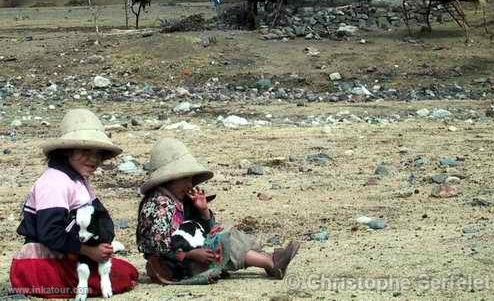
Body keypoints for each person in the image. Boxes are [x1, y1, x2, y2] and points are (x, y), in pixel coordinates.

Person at [10, 108, 138, 298]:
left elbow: (101, 218)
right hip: (43, 261)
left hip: (70, 253)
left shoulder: (78, 180)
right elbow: (50, 233)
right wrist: (89, 251)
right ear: (66, 152)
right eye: (86, 151)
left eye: (98, 154)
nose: (94, 159)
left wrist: (103, 244)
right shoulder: (54, 182)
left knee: (127, 271)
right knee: (123, 276)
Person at [136, 138, 300, 284]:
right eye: (185, 179)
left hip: (189, 256)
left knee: (222, 232)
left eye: (191, 179)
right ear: (169, 179)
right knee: (222, 241)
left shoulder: (179, 200)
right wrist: (190, 255)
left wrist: (203, 210)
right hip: (171, 266)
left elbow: (206, 228)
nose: (190, 184)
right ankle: (270, 263)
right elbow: (157, 247)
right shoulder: (158, 205)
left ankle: (267, 259)